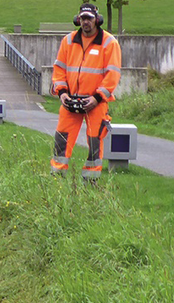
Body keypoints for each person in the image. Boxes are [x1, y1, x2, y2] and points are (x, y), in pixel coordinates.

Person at [49, 3, 122, 181]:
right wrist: (62, 93)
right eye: (83, 19)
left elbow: (112, 75)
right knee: (61, 140)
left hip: (95, 103)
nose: (86, 22)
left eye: (89, 18)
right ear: (78, 20)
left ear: (97, 20)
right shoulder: (68, 41)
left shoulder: (109, 43)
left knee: (95, 142)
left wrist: (97, 98)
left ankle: (91, 180)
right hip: (70, 100)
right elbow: (59, 70)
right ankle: (57, 177)